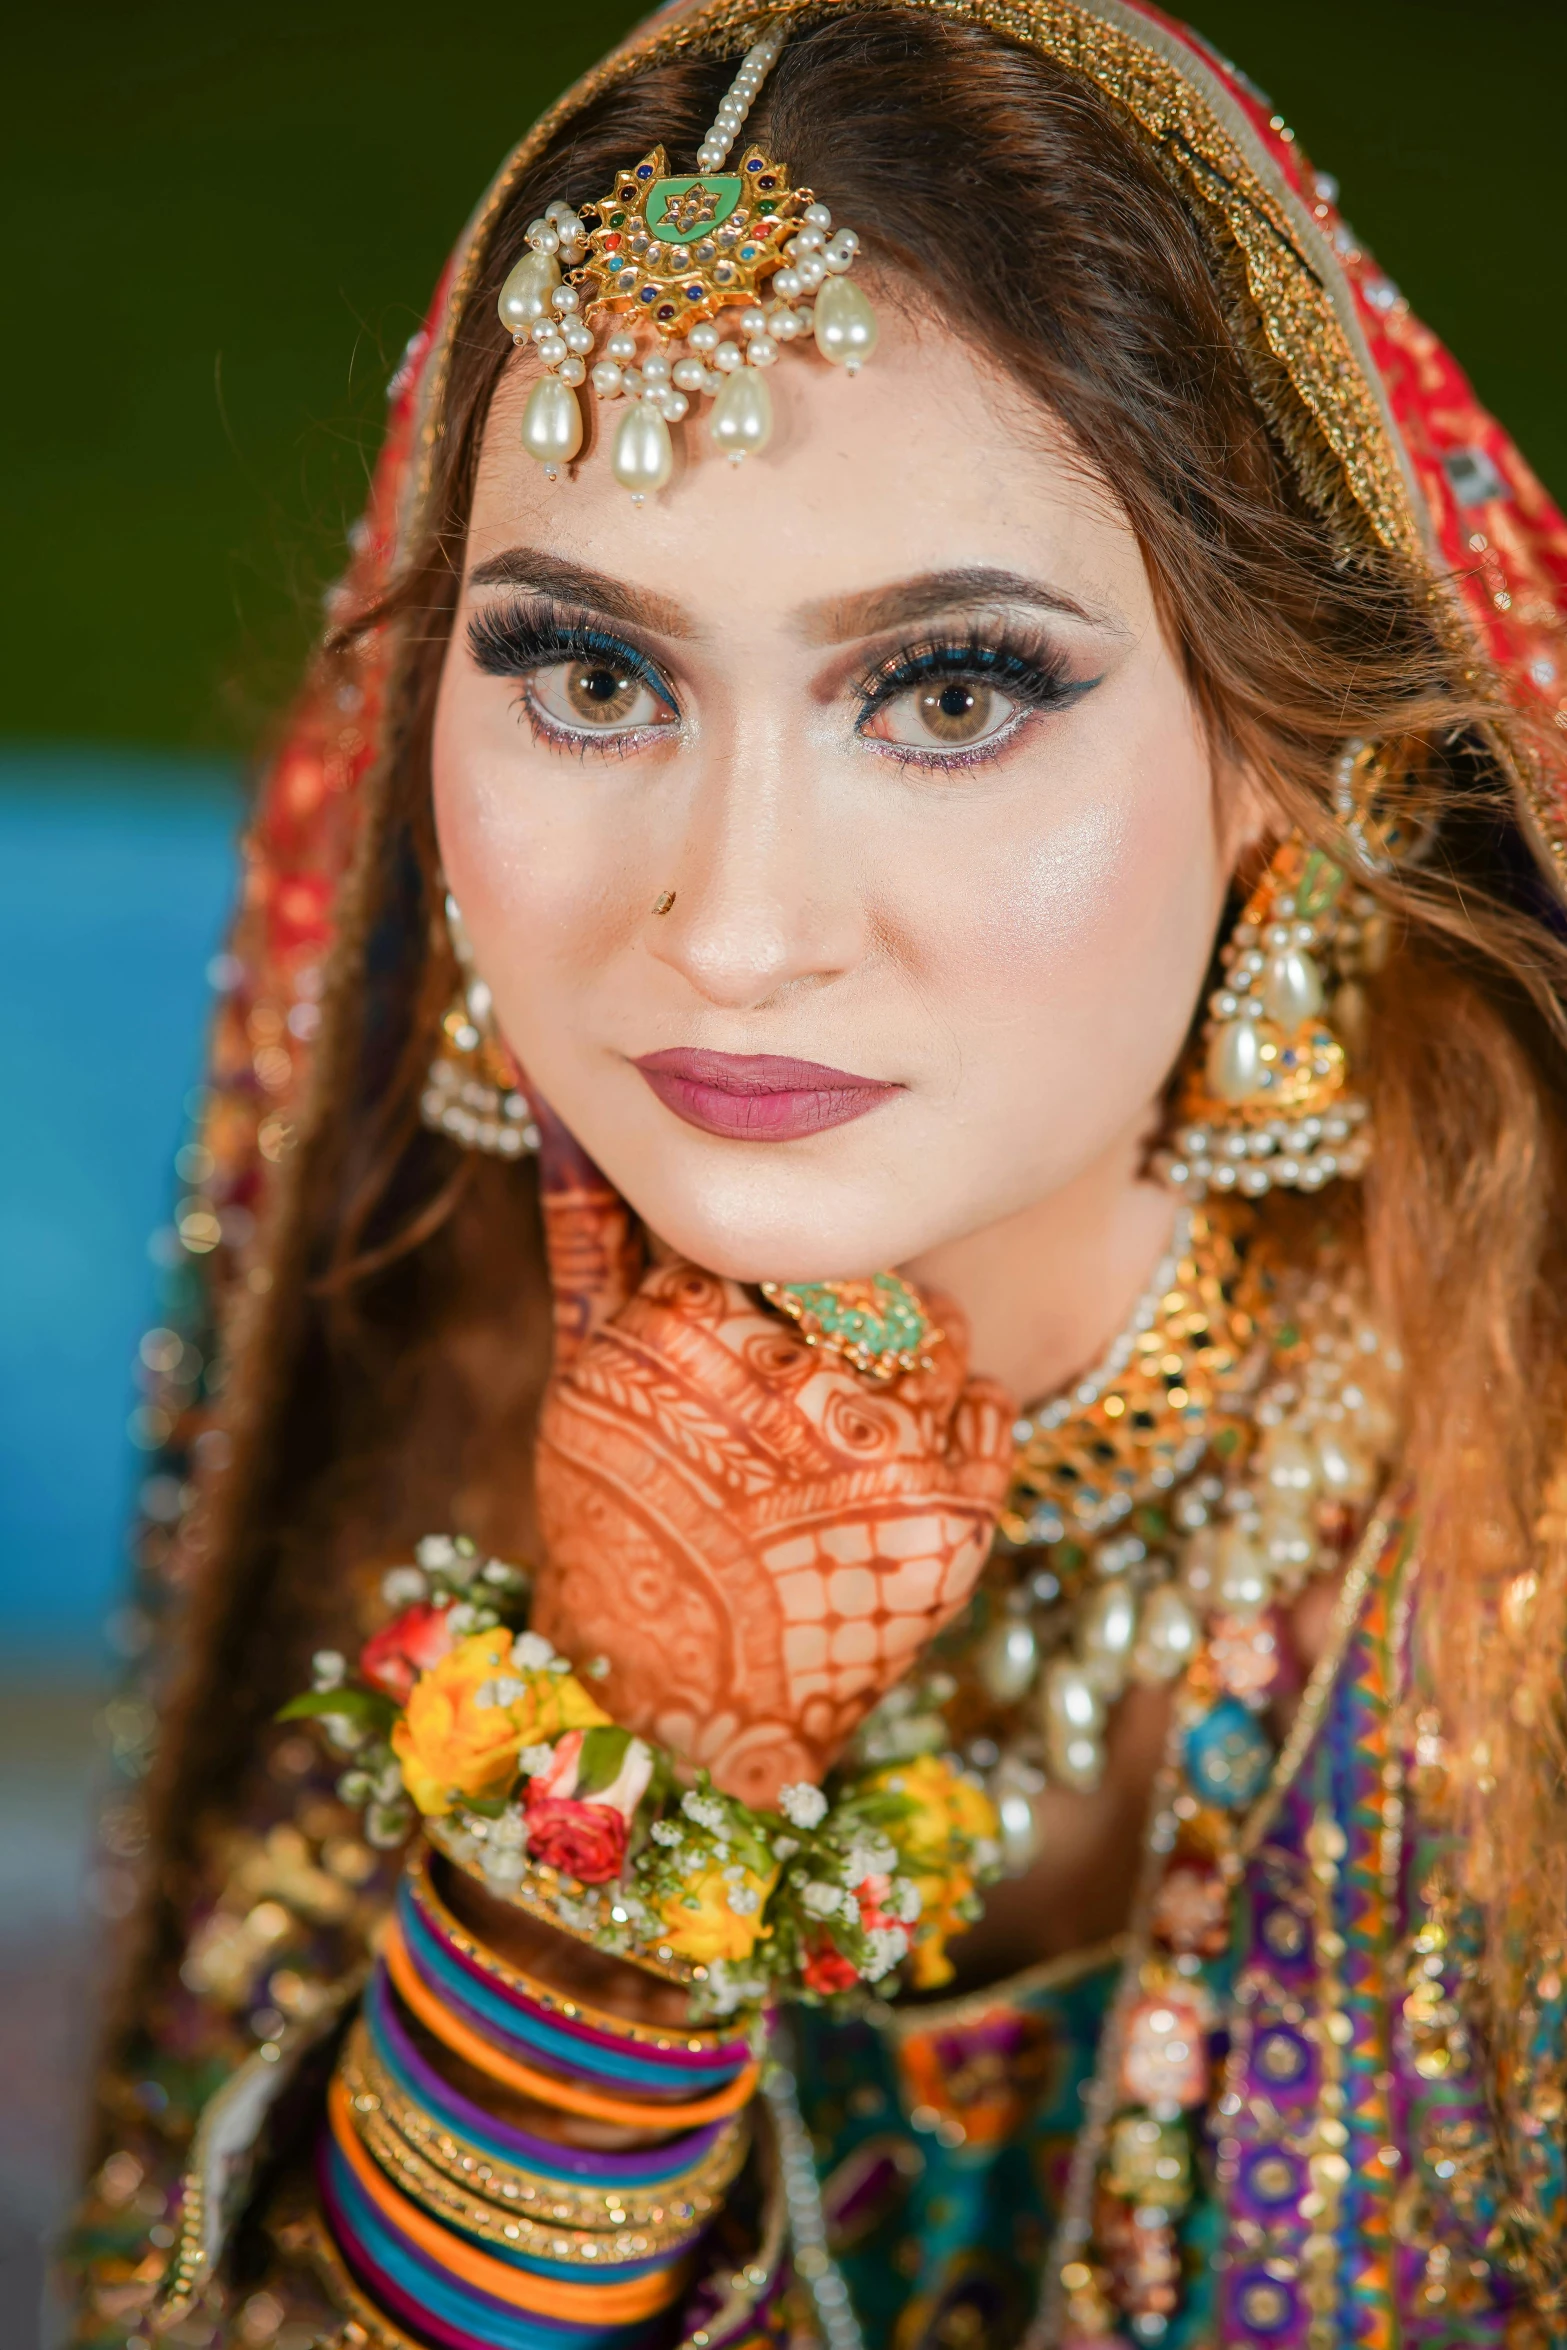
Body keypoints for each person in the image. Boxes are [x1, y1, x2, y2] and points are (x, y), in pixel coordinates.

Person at [65, 3, 1567, 2345]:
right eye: (586, 675)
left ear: (1281, 738)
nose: (734, 924)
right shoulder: (411, 1376)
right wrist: (634, 1771)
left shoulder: (1526, 1474)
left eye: (950, 692)